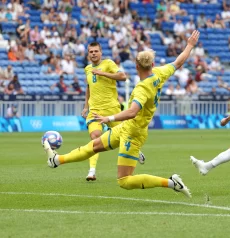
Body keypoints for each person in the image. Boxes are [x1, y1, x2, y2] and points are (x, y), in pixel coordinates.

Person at [42, 30, 201, 198]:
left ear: (137, 66)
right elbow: (178, 62)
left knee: (124, 181)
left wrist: (108, 118)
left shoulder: (142, 88)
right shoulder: (160, 74)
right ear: (152, 65)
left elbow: (132, 112)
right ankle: (56, 160)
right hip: (126, 127)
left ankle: (171, 183)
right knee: (94, 145)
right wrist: (189, 45)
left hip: (134, 133)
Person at [82, 42, 144, 181]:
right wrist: (86, 106)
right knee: (95, 137)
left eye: (96, 51)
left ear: (101, 52)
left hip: (112, 109)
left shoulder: (108, 63)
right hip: (94, 111)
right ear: (88, 54)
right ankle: (91, 171)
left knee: (125, 136)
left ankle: (136, 151)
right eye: (91, 51)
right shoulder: (87, 69)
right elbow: (88, 88)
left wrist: (102, 73)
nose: (93, 54)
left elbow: (123, 76)